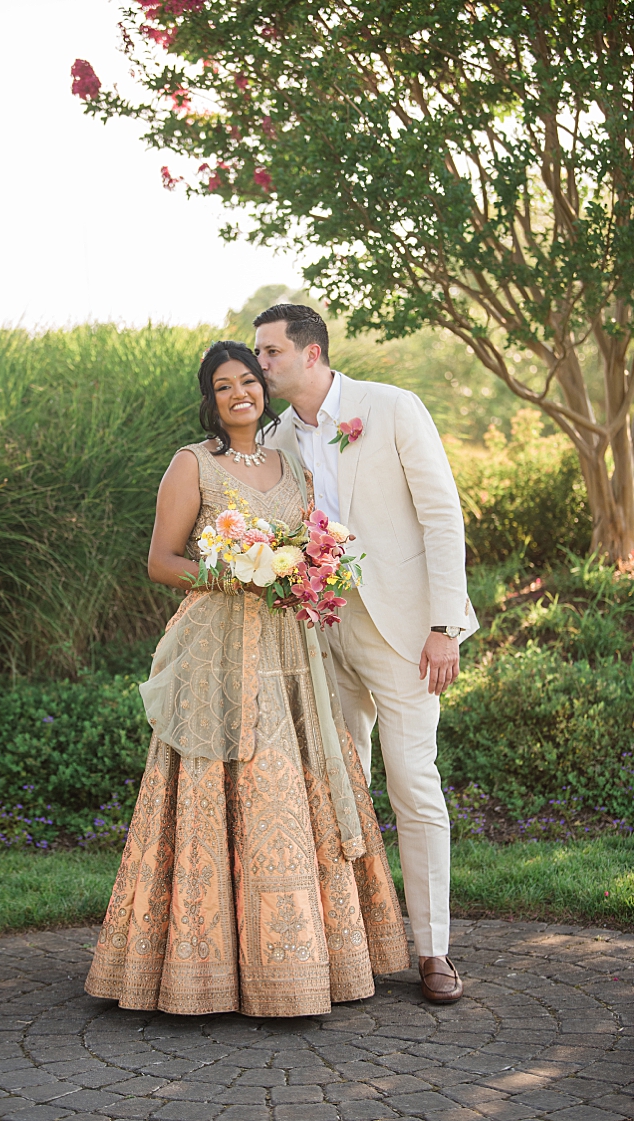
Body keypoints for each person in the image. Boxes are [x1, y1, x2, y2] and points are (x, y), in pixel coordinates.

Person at [85, 341, 409, 1018]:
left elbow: (314, 542)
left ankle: (303, 964)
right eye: (224, 384)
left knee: (292, 783)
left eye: (250, 381)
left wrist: (308, 569)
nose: (240, 393)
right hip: (217, 646)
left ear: (264, 390)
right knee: (216, 784)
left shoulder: (290, 462)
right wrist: (232, 572)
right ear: (211, 397)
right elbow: (161, 560)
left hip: (288, 649)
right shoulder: (193, 463)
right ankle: (201, 967)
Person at [255, 302, 476, 1005]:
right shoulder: (274, 435)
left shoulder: (391, 408)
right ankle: (350, 944)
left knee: (412, 780)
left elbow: (442, 512)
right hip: (320, 632)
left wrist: (445, 623)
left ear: (311, 354)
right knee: (336, 790)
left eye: (270, 353)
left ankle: (433, 950)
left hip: (407, 631)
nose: (261, 365)